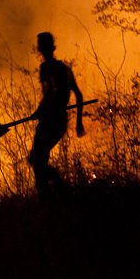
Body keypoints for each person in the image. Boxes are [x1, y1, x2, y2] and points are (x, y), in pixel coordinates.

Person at [27, 32, 85, 198]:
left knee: (37, 160)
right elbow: (75, 95)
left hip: (52, 121)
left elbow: (50, 96)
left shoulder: (48, 69)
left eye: (41, 45)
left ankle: (61, 189)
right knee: (38, 160)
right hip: (55, 120)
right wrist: (78, 123)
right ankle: (51, 196)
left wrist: (39, 112)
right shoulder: (63, 68)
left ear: (42, 48)